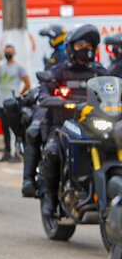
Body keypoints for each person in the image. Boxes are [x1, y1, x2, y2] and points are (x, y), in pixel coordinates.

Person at [40, 25, 104, 217]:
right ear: (70, 48)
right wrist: (49, 98)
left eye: (88, 45)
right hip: (63, 125)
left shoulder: (99, 72)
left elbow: (114, 88)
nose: (85, 49)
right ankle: (50, 199)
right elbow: (45, 90)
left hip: (92, 126)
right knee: (52, 152)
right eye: (80, 45)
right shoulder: (60, 70)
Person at [0, 44, 31, 162]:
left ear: (14, 53)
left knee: (16, 129)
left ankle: (17, 153)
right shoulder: (2, 67)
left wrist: (19, 95)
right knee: (5, 129)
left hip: (13, 103)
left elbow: (27, 83)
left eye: (10, 51)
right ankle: (7, 152)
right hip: (2, 103)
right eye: (6, 52)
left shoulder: (19, 67)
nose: (8, 53)